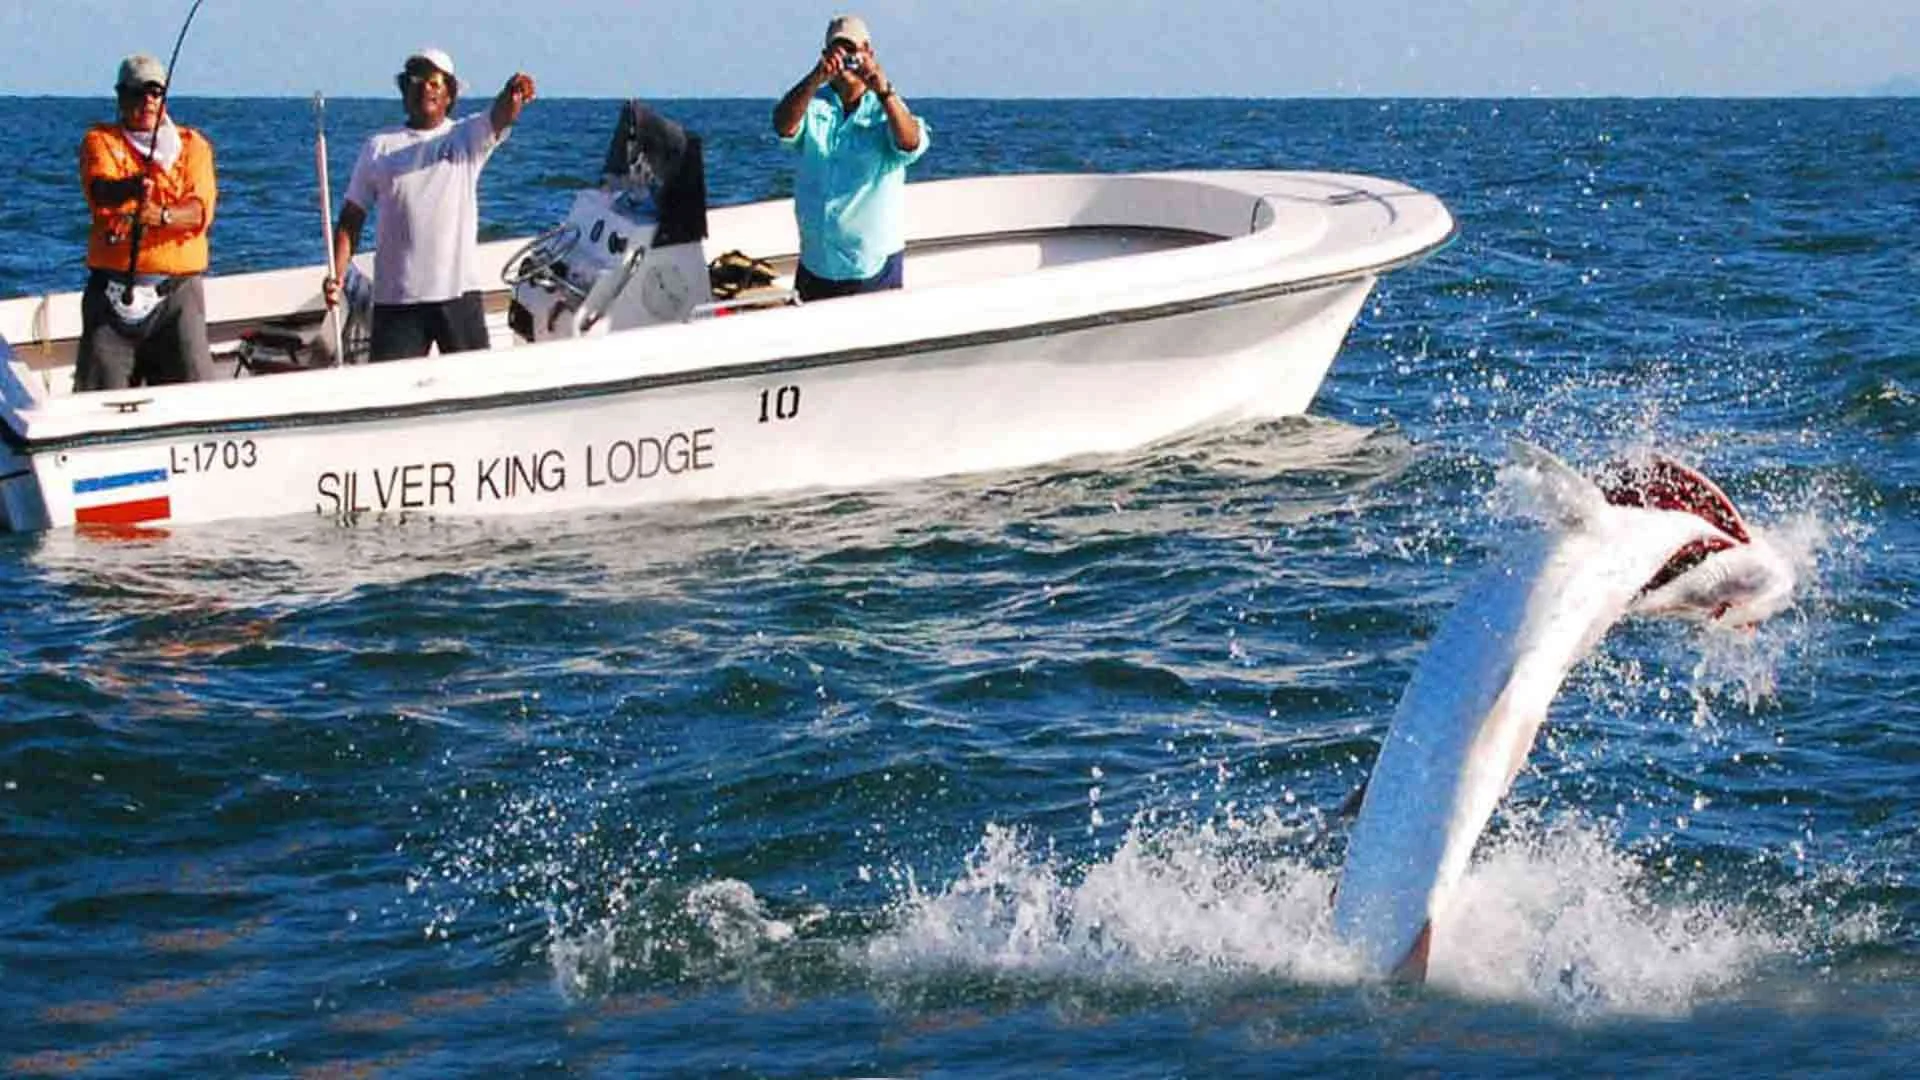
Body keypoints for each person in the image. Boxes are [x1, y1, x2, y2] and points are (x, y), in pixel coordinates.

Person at [326, 49, 536, 361]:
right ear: (404, 90)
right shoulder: (378, 147)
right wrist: (336, 274)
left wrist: (513, 91)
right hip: (396, 300)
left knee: (475, 389)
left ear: (450, 94)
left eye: (436, 82)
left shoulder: (466, 136)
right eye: (417, 80)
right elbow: (351, 219)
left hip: (458, 294)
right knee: (390, 396)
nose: (426, 87)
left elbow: (502, 113)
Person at [75, 53, 217, 391]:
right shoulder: (100, 141)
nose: (148, 101)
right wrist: (132, 187)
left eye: (156, 93)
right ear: (121, 96)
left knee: (194, 397)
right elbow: (100, 190)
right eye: (139, 93)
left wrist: (161, 215)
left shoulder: (193, 147)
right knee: (96, 404)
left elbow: (198, 211)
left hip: (177, 296)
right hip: (110, 298)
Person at [772, 14, 929, 302]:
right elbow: (783, 125)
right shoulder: (814, 104)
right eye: (838, 51)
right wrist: (815, 77)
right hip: (816, 265)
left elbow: (910, 142)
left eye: (852, 51)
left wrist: (883, 89)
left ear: (868, 53)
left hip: (870, 269)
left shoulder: (887, 109)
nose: (845, 60)